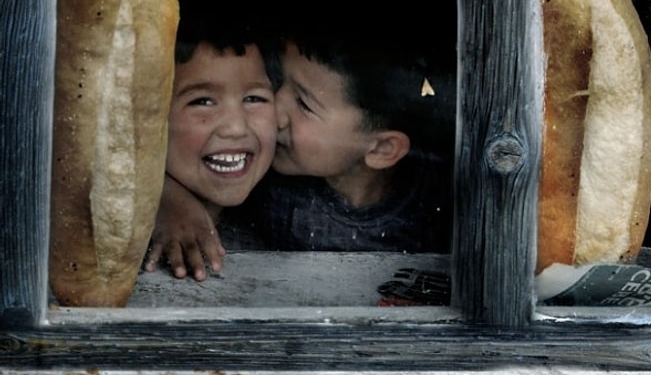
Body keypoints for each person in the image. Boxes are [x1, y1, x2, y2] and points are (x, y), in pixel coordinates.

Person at [145, 22, 452, 278]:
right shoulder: (265, 180)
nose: (275, 113)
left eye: (304, 103)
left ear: (383, 149)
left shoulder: (441, 207)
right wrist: (167, 199)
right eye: (278, 85)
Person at [143, 16, 278, 280]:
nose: (236, 127)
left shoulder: (288, 214)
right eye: (203, 101)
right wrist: (153, 196)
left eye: (254, 98)